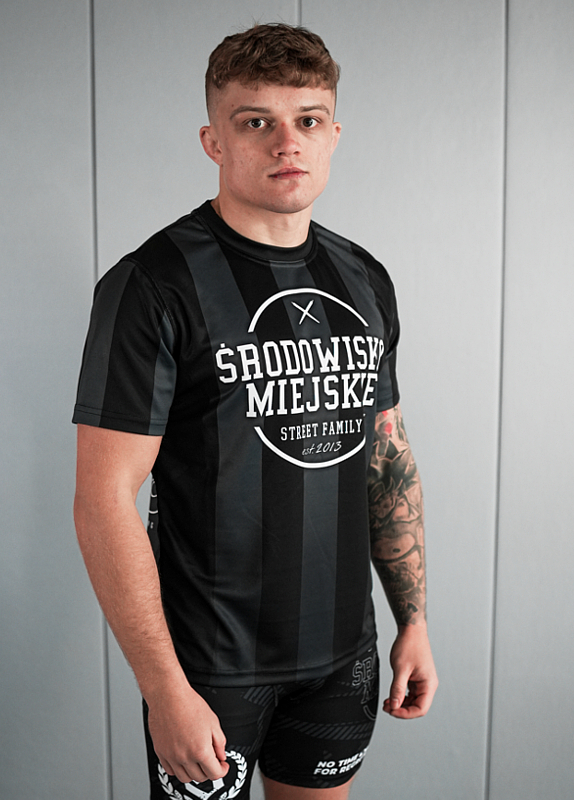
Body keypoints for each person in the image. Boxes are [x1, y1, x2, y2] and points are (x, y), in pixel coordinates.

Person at [73, 22, 437, 800]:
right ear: (214, 140)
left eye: (307, 119)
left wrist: (413, 620)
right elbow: (103, 498)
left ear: (333, 135)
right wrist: (163, 686)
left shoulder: (363, 278)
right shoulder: (153, 284)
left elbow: (387, 456)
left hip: (343, 658)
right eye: (255, 121)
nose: (286, 142)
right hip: (209, 668)